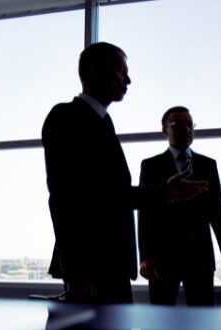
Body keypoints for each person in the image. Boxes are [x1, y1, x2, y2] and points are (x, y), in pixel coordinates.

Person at [42, 42, 208, 306]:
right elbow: (63, 200)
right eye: (121, 71)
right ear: (95, 71)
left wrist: (165, 192)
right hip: (91, 271)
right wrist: (76, 273)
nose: (127, 79)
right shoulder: (65, 117)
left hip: (110, 266)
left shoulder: (103, 121)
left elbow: (111, 196)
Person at [137, 106, 221, 307]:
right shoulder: (151, 165)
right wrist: (145, 256)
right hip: (161, 258)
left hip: (199, 255)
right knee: (161, 324)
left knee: (203, 324)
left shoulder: (208, 165)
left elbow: (217, 211)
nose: (186, 129)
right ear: (164, 130)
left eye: (189, 124)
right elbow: (144, 212)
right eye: (178, 124)